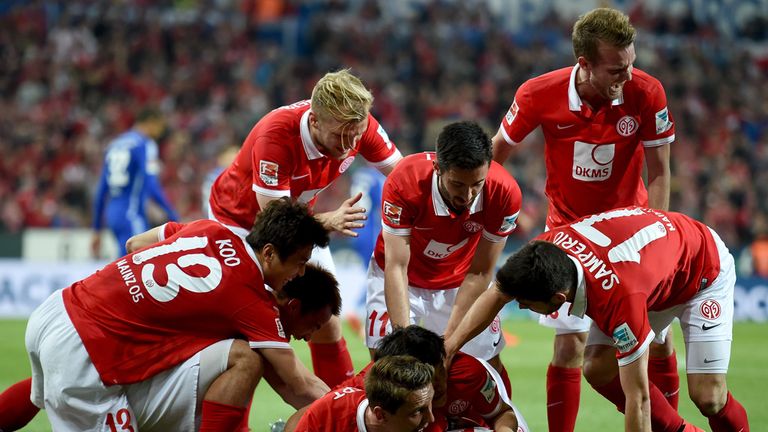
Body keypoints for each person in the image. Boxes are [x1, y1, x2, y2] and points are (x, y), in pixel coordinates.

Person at [491, 8, 677, 430]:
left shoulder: (647, 92)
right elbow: (498, 151)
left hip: (631, 236)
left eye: (630, 64)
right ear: (584, 64)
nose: (627, 77)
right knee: (569, 347)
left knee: (659, 342)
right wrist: (487, 206)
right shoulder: (538, 93)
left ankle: (673, 424)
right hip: (568, 235)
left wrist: (658, 236)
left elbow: (661, 171)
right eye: (616, 70)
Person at [22, 198, 340, 431]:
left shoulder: (209, 229)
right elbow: (297, 385)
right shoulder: (252, 299)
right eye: (298, 262)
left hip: (58, 308)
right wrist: (348, 408)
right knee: (246, 357)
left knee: (40, 396)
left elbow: (135, 244)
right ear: (268, 252)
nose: (300, 272)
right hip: (86, 352)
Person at [445, 207, 750, 432]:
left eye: (526, 303)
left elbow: (639, 399)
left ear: (558, 300)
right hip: (649, 272)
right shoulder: (544, 252)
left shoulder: (619, 301)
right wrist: (447, 350)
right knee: (598, 367)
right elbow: (497, 292)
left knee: (708, 397)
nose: (521, 307)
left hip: (701, 270)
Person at [209, 68, 403, 387]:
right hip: (240, 226)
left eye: (356, 134)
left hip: (298, 221)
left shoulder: (357, 125)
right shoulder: (276, 136)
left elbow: (404, 174)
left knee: (324, 318)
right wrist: (326, 221)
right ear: (314, 121)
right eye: (341, 135)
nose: (350, 144)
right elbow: (274, 225)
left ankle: (336, 412)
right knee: (250, 338)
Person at [365, 121, 521, 372]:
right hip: (401, 276)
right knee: (390, 365)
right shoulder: (404, 181)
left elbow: (481, 271)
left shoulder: (505, 193)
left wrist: (449, 345)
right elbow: (397, 266)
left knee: (485, 367)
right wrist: (405, 339)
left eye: (476, 184)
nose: (468, 195)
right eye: (458, 184)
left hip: (461, 279)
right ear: (438, 168)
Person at [286, 325, 527, 432]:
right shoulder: (375, 383)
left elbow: (501, 413)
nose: (440, 383)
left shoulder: (469, 373)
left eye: (441, 370)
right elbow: (312, 416)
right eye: (429, 378)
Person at [91, 107, 179, 257]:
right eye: (160, 126)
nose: (160, 132)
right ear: (151, 122)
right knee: (137, 269)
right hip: (131, 213)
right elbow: (151, 184)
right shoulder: (145, 144)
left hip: (113, 214)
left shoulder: (115, 144)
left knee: (124, 267)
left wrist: (97, 228)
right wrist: (173, 215)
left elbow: (101, 190)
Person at [292, 355, 436, 432]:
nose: (431, 419)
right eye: (417, 412)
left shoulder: (419, 424)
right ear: (381, 415)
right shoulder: (326, 418)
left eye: (429, 405)